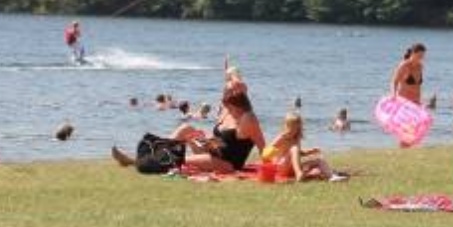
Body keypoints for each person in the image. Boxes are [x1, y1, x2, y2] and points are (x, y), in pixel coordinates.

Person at [112, 89, 265, 174]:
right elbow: (223, 142)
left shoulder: (248, 119)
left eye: (229, 106)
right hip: (211, 151)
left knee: (179, 161)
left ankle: (133, 161)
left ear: (238, 105)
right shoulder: (231, 114)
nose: (227, 109)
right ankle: (149, 152)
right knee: (186, 128)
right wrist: (203, 140)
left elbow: (263, 148)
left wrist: (272, 164)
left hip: (226, 163)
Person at [261, 113, 336, 182]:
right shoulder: (282, 137)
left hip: (293, 167)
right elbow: (266, 153)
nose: (294, 130)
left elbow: (297, 154)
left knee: (319, 160)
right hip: (282, 167)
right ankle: (299, 174)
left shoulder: (296, 138)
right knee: (294, 148)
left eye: (296, 127)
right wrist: (271, 157)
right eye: (291, 126)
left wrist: (309, 152)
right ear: (286, 125)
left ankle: (331, 176)